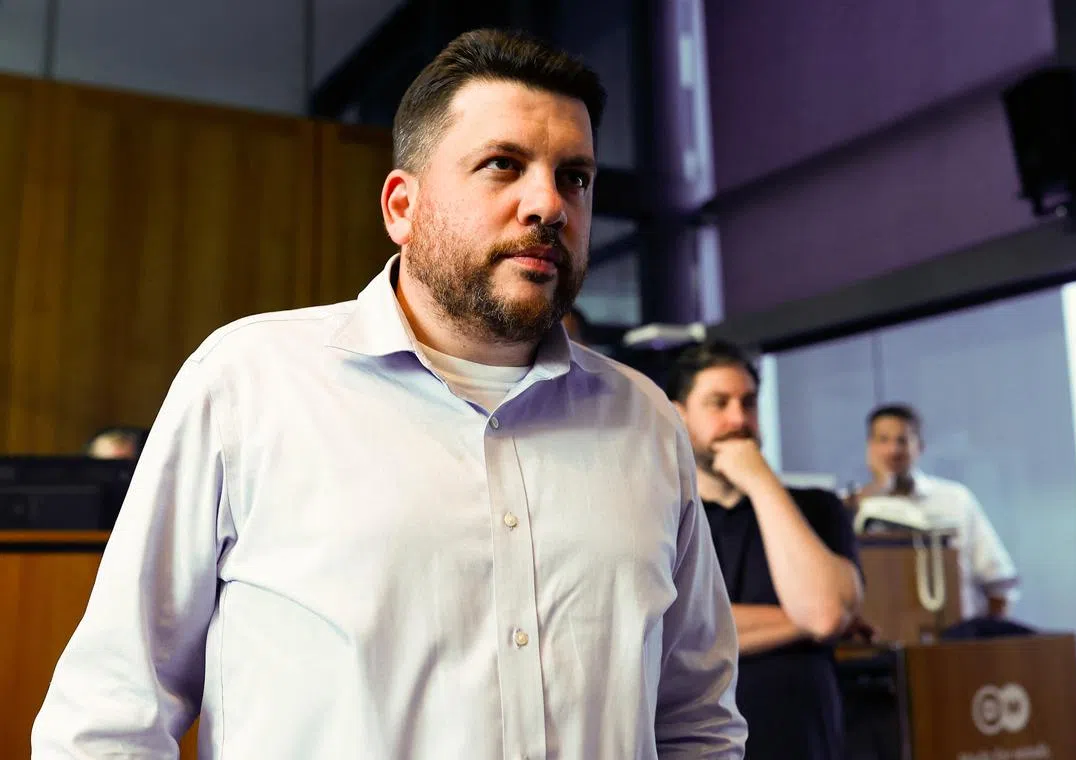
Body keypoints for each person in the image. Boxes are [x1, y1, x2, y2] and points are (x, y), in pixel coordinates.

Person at [32, 29, 745, 759]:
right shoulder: (251, 382)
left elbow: (696, 721)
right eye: (504, 165)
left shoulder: (645, 422)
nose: (549, 205)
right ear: (402, 207)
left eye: (576, 178)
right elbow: (112, 713)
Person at [667, 340, 863, 760]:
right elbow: (673, 631)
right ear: (678, 415)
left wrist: (759, 481)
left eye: (749, 403)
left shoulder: (816, 507)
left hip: (805, 742)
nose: (739, 419)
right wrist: (805, 622)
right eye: (718, 403)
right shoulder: (660, 515)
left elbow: (825, 611)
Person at [853, 403, 1018, 618]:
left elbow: (998, 582)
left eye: (902, 440)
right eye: (883, 440)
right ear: (870, 447)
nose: (893, 451)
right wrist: (872, 493)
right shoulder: (852, 506)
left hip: (956, 637)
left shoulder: (955, 498)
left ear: (919, 446)